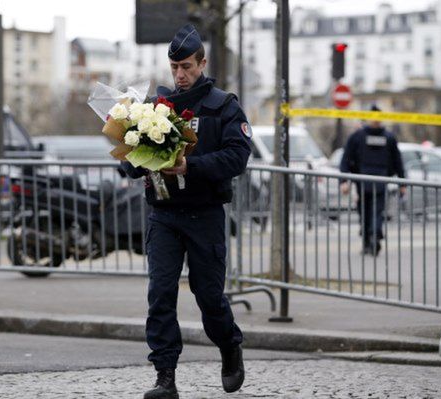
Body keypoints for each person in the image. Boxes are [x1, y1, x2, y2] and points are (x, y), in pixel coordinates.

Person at [121, 24, 251, 399]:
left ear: (202, 63)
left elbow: (237, 156)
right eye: (175, 67)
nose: (180, 75)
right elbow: (130, 165)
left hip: (205, 214)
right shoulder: (156, 109)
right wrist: (131, 146)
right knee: (160, 292)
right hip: (164, 214)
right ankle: (165, 376)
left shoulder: (223, 105)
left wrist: (189, 167)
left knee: (208, 295)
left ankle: (229, 345)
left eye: (187, 66)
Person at [339, 105, 405, 256]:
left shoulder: (359, 136)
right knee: (372, 212)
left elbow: (346, 160)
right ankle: (372, 238)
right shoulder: (385, 137)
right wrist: (344, 180)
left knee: (370, 212)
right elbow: (397, 162)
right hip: (372, 181)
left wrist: (344, 181)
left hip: (367, 181)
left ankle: (371, 240)